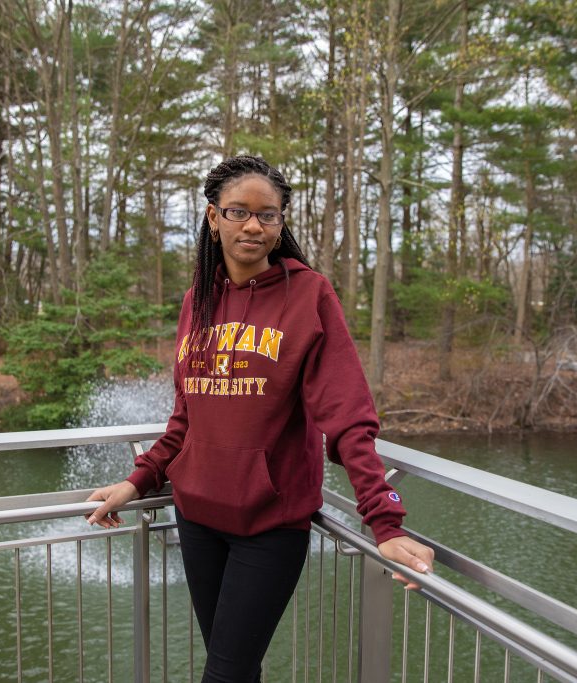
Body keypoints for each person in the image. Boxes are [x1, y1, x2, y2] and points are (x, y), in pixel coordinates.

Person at [86, 155, 434, 683]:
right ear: (212, 218)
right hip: (196, 517)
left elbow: (347, 417)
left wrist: (383, 521)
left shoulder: (309, 295)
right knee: (235, 668)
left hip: (269, 526)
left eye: (268, 215)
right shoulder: (195, 302)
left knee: (224, 673)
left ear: (281, 224)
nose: (253, 225)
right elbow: (185, 419)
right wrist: (138, 482)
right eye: (238, 212)